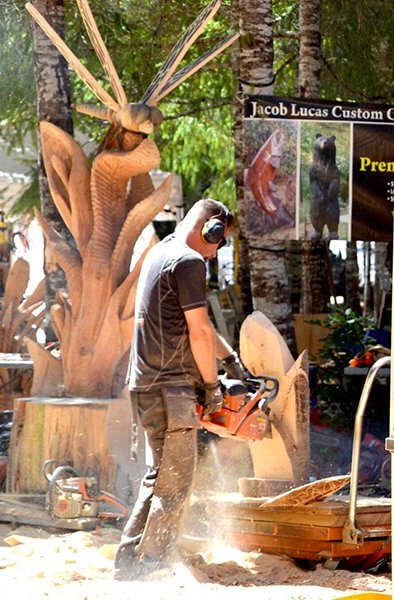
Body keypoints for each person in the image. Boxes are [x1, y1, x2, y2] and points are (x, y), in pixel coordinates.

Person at [115, 198, 247, 579]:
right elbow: (199, 332)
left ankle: (129, 561)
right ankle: (150, 566)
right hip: (169, 389)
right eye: (220, 240)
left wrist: (232, 360)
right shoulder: (189, 261)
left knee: (161, 475)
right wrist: (211, 387)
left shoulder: (163, 253)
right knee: (174, 484)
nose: (219, 248)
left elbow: (197, 324)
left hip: (144, 383)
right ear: (212, 230)